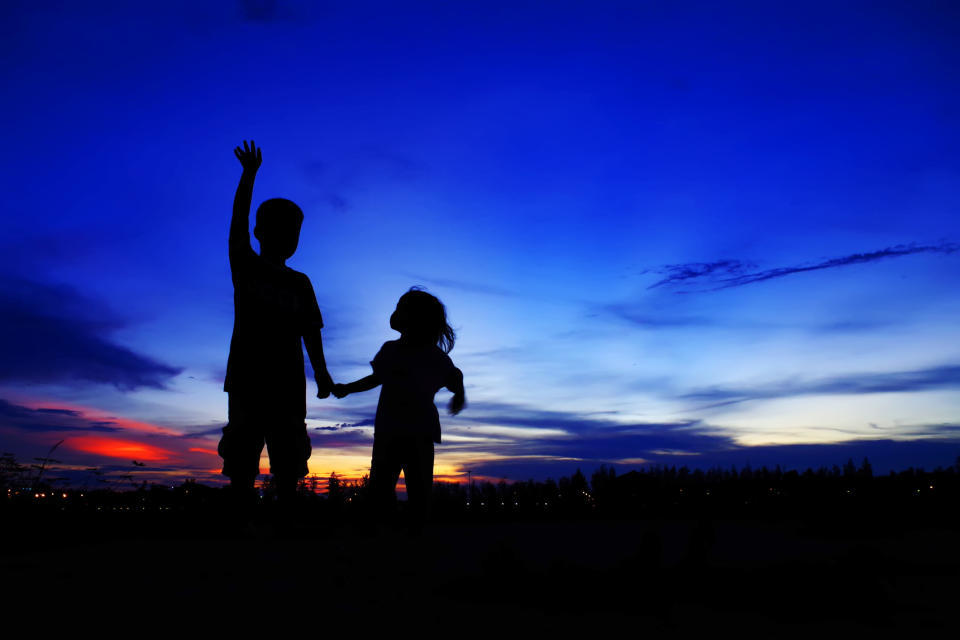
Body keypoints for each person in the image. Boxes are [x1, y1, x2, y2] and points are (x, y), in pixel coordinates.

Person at [218, 140, 334, 509]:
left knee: (289, 459)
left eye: (293, 232)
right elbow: (236, 222)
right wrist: (249, 175)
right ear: (259, 232)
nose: (287, 238)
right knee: (241, 457)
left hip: (287, 384)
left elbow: (311, 331)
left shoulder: (301, 282)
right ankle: (239, 522)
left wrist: (323, 375)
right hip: (248, 379)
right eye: (278, 229)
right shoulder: (246, 265)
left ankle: (287, 523)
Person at [333, 288, 465, 530]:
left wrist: (460, 392)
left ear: (415, 319)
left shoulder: (432, 356)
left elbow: (454, 376)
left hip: (416, 434)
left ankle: (413, 536)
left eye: (400, 309)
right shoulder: (391, 350)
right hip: (390, 432)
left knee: (418, 490)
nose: (394, 314)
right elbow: (375, 379)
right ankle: (383, 534)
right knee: (381, 489)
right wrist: (347, 388)